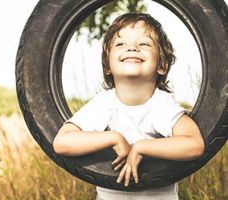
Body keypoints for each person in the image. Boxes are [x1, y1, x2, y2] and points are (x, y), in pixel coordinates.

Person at [53, 12, 205, 200]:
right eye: (120, 44)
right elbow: (62, 142)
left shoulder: (161, 105)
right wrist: (113, 137)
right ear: (108, 65)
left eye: (144, 44)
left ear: (162, 64)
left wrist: (142, 147)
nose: (132, 47)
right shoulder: (104, 103)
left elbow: (194, 145)